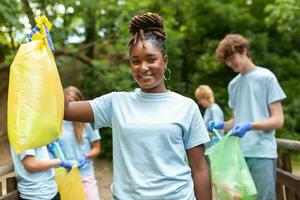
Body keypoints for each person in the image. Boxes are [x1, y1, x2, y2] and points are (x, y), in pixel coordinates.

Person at [64, 12, 211, 200]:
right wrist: (44, 59)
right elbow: (65, 110)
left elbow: (199, 168)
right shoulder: (115, 103)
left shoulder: (186, 107)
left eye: (151, 59)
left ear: (164, 62)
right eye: (136, 61)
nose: (143, 67)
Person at [210, 33, 286, 200]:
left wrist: (250, 126)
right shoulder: (233, 85)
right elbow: (236, 121)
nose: (230, 63)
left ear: (244, 50)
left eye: (232, 58)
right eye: (227, 61)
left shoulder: (266, 77)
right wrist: (220, 125)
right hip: (239, 154)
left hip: (262, 153)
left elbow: (278, 120)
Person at [58, 86, 101, 200]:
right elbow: (52, 148)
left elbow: (96, 148)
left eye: (72, 103)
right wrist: (60, 161)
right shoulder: (57, 124)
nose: (68, 107)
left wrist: (85, 156)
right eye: (66, 103)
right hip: (66, 175)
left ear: (79, 103)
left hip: (86, 176)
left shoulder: (88, 122)